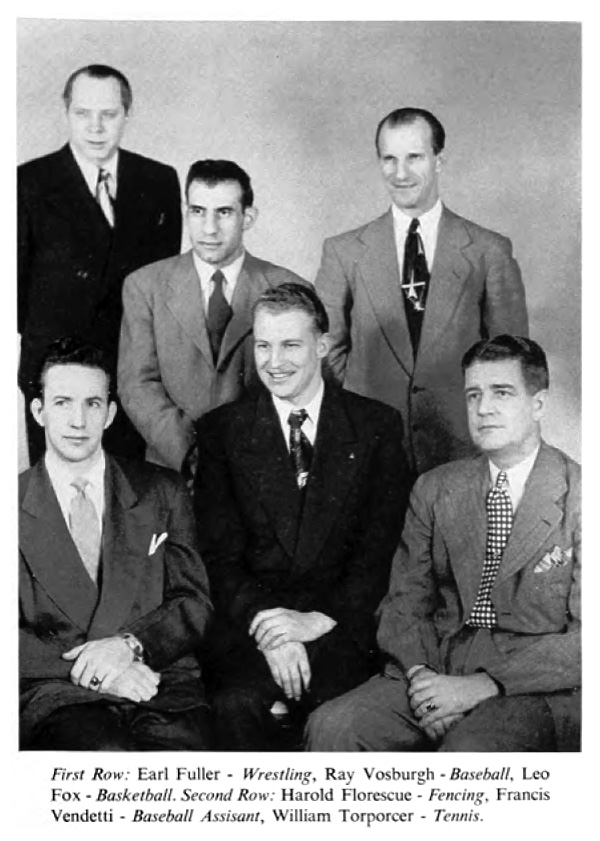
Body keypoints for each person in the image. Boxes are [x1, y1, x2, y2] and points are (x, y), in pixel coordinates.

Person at [306, 335, 580, 752]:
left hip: (528, 685)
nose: (483, 408)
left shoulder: (581, 493)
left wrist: (482, 686)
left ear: (538, 404)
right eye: (473, 395)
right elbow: (404, 603)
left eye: (501, 393)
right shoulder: (435, 488)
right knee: (332, 727)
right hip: (436, 666)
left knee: (470, 750)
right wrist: (423, 679)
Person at [193, 283, 411, 750]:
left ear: (323, 345)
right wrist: (273, 629)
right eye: (263, 346)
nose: (274, 362)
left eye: (290, 345)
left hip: (339, 627)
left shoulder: (376, 426)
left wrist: (319, 619)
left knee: (339, 717)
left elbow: (381, 550)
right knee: (234, 706)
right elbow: (218, 557)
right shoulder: (220, 432)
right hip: (253, 629)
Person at [19, 338, 213, 750]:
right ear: (38, 411)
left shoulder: (163, 490)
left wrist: (130, 648)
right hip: (59, 691)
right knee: (104, 753)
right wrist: (99, 671)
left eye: (92, 404)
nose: (78, 421)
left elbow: (192, 602)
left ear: (109, 414)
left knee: (182, 761)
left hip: (156, 681)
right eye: (62, 403)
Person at [315, 107, 529, 475]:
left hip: (461, 451)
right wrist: (360, 405)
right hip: (368, 451)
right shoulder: (343, 252)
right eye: (389, 159)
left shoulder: (488, 250)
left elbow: (511, 362)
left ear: (438, 160)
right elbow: (324, 351)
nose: (400, 173)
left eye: (414, 157)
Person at [18, 64, 182, 464]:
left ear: (127, 114)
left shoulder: (158, 180)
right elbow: (15, 292)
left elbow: (162, 281)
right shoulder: (27, 183)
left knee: (129, 486)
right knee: (60, 486)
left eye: (108, 114)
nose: (95, 127)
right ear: (66, 112)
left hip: (133, 371)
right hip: (56, 369)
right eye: (83, 114)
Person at [118, 159, 307, 473]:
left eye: (224, 212)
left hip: (260, 470)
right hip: (173, 470)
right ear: (185, 212)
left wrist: (246, 455)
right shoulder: (145, 286)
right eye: (198, 211)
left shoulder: (290, 287)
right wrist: (189, 453)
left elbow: (299, 387)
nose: (209, 228)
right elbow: (137, 384)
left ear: (248, 217)